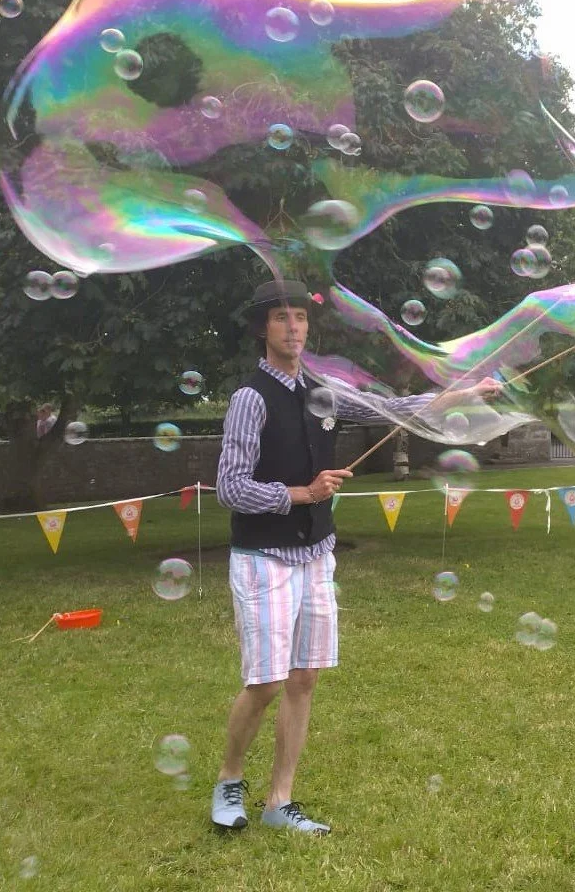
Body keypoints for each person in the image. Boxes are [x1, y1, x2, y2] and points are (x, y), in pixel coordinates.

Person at [211, 279, 501, 835]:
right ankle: (229, 778)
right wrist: (301, 494)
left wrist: (460, 395)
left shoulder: (321, 390)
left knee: (303, 679)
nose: (293, 327)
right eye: (281, 319)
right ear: (262, 329)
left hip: (316, 552)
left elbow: (388, 408)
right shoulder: (250, 399)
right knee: (266, 682)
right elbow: (229, 487)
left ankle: (279, 802)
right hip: (263, 555)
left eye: (300, 317)